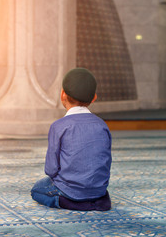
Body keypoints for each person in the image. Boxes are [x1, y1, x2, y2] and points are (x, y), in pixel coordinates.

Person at [31, 68, 112, 211]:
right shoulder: (102, 125)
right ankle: (98, 201)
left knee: (36, 190)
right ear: (94, 98)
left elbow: (51, 169)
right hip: (98, 190)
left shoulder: (59, 126)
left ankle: (67, 202)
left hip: (69, 190)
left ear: (62, 94)